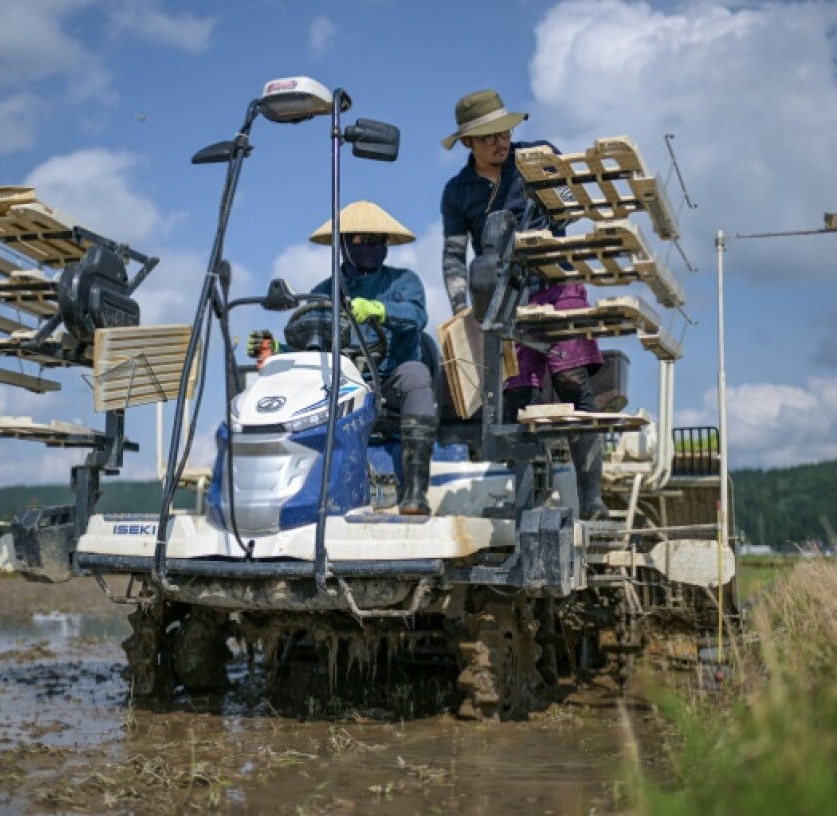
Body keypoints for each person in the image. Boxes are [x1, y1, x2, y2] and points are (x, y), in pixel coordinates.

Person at [440, 89, 608, 520]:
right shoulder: (457, 193)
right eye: (489, 136)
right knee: (518, 395)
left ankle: (591, 499)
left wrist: (554, 188)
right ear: (468, 144)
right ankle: (526, 501)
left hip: (556, 281)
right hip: (506, 298)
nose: (501, 141)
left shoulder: (537, 155)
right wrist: (464, 308)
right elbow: (454, 256)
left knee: (571, 378)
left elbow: (571, 211)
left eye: (505, 131)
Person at [247, 200, 437, 516]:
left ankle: (415, 491)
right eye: (362, 240)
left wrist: (379, 310)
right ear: (344, 244)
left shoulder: (405, 281)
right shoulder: (323, 292)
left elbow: (417, 317)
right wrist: (277, 351)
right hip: (341, 384)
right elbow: (313, 346)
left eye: (378, 241)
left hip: (391, 382)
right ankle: (297, 495)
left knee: (417, 374)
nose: (371, 247)